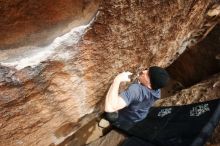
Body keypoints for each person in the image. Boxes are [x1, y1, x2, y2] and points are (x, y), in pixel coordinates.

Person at [102, 66, 170, 130]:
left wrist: (117, 79)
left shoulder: (136, 90)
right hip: (140, 116)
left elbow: (110, 107)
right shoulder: (157, 91)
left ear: (149, 85)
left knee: (111, 117)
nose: (143, 71)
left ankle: (110, 127)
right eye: (147, 69)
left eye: (147, 74)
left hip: (127, 117)